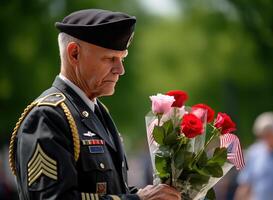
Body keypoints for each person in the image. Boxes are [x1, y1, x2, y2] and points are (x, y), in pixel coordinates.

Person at [8, 9, 181, 200]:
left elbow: (112, 191)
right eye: (109, 59)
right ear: (74, 54)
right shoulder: (48, 116)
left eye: (122, 59)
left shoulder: (96, 111)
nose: (120, 70)